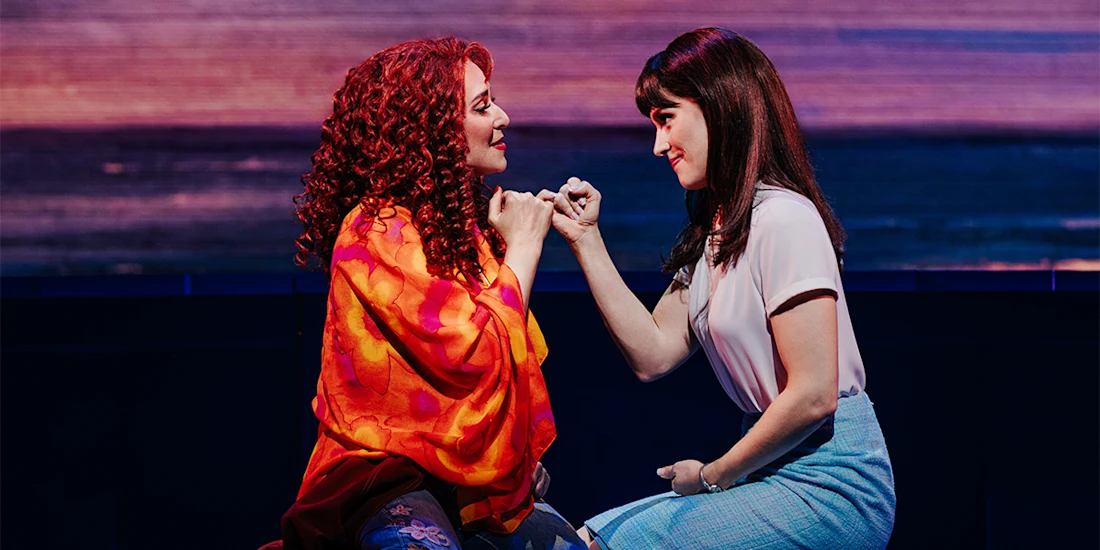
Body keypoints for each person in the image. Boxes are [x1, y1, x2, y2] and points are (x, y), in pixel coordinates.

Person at [538, 28, 896, 549]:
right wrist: (586, 240)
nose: (659, 146)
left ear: (720, 107)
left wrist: (715, 475)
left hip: (832, 482)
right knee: (592, 536)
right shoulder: (718, 234)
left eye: (667, 119)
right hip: (771, 465)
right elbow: (653, 353)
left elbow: (815, 395)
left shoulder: (783, 219)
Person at [275, 37, 585, 550]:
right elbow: (477, 354)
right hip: (385, 474)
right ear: (434, 130)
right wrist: (525, 247)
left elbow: (511, 364)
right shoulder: (375, 231)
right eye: (483, 106)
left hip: (473, 477)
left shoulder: (462, 232)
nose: (503, 116)